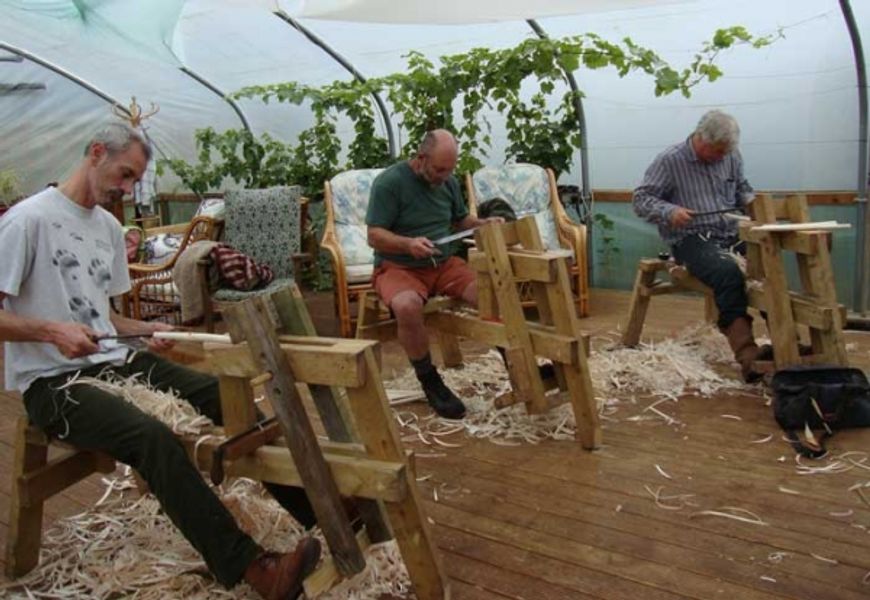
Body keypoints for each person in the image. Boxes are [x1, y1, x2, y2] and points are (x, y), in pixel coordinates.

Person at [0, 123, 320, 600]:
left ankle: (321, 514)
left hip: (115, 361)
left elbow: (104, 317)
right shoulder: (27, 222)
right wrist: (50, 330)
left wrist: (149, 332)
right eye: (125, 175)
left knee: (223, 396)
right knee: (152, 437)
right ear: (94, 152)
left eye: (134, 180)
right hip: (52, 382)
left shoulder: (107, 227)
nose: (127, 189)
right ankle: (255, 569)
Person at [366, 130, 502, 419]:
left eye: (450, 169)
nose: (445, 176)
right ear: (421, 158)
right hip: (398, 266)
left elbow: (459, 220)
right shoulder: (390, 183)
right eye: (439, 169)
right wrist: (407, 244)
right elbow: (374, 235)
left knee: (491, 293)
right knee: (407, 306)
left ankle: (517, 361)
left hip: (442, 264)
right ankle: (430, 382)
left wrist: (483, 224)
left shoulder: (449, 182)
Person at [633, 109, 767, 382]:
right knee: (727, 273)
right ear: (701, 139)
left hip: (730, 233)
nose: (721, 158)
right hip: (691, 239)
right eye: (716, 152)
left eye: (725, 153)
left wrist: (755, 206)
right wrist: (670, 211)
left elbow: (742, 187)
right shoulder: (670, 161)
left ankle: (787, 342)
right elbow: (641, 199)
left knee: (769, 264)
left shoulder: (730, 156)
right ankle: (747, 355)